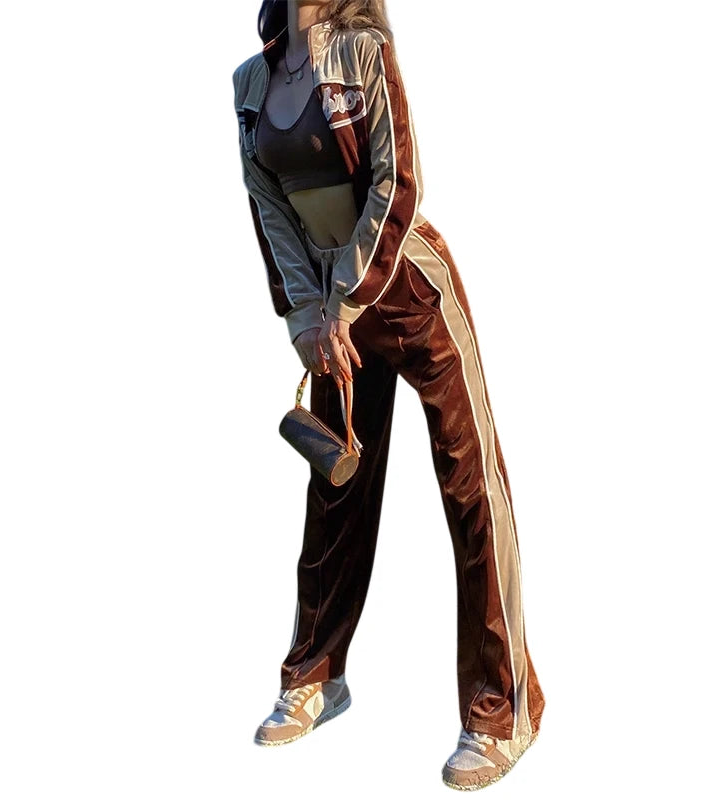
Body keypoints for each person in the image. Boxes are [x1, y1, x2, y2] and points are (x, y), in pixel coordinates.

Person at [231, 0, 545, 790]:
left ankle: (503, 711)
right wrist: (304, 316)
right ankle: (316, 676)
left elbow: (397, 180)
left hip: (409, 293)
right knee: (336, 487)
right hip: (331, 317)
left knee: (470, 487)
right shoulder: (248, 82)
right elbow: (267, 205)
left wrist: (343, 300)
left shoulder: (365, 52)